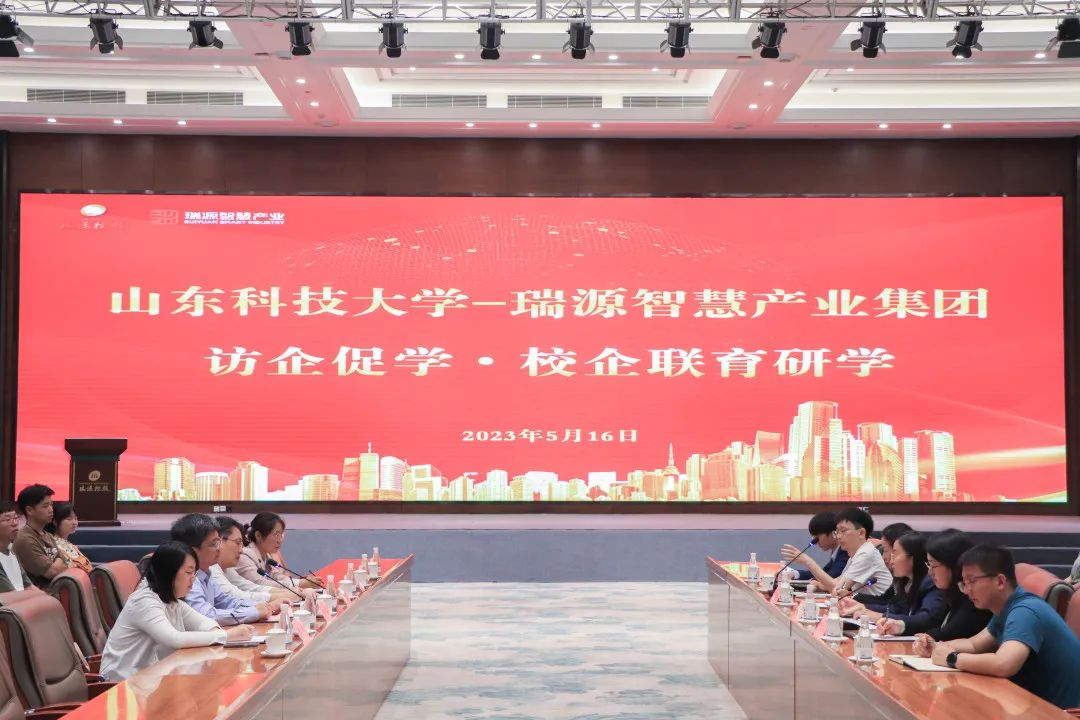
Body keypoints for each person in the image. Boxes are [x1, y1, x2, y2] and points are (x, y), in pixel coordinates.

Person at [921, 545, 1080, 710]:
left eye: (972, 581)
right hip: (1034, 705)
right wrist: (935, 647)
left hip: (1062, 712)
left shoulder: (1025, 611)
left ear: (1000, 581)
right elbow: (973, 644)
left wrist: (952, 659)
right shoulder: (1005, 607)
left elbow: (1004, 664)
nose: (967, 590)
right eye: (964, 583)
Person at [100, 541, 253, 681]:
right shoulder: (144, 601)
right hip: (120, 686)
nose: (193, 579)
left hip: (149, 679)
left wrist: (219, 633)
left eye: (194, 573)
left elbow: (204, 623)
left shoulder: (171, 600)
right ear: (169, 573)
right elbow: (175, 639)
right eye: (188, 572)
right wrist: (227, 635)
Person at [169, 514, 279, 625]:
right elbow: (206, 616)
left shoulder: (206, 573)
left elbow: (226, 601)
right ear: (192, 550)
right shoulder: (186, 577)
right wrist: (254, 612)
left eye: (219, 542)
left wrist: (262, 606)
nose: (219, 548)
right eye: (214, 543)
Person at [882, 529, 991, 640]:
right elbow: (932, 622)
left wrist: (928, 638)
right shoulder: (951, 593)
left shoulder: (973, 598)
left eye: (934, 565)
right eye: (929, 565)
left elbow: (946, 631)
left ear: (953, 564)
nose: (930, 572)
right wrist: (899, 626)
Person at [841, 532, 945, 629]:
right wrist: (863, 607)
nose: (891, 560)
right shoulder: (908, 582)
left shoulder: (930, 583)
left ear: (912, 557)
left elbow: (927, 619)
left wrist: (879, 616)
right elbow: (896, 608)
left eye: (895, 553)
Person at [211, 516, 296, 604]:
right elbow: (238, 594)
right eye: (237, 542)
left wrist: (289, 591)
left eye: (281, 534)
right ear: (219, 541)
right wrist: (282, 595)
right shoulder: (245, 555)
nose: (241, 550)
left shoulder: (227, 569)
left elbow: (249, 587)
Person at [234, 513, 319, 591]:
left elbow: (278, 577)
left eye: (281, 534)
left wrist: (302, 582)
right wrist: (300, 583)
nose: (280, 540)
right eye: (276, 534)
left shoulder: (267, 556)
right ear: (258, 535)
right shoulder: (244, 556)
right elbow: (260, 584)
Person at [823, 508, 892, 597]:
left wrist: (808, 561)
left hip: (881, 603)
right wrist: (819, 585)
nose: (838, 536)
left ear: (861, 533)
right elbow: (839, 582)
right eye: (837, 532)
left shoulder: (866, 554)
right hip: (868, 602)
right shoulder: (855, 555)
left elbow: (838, 587)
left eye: (843, 531)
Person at [12, 484, 65, 588]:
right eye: (45, 506)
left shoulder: (48, 535)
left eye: (51, 505)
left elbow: (65, 562)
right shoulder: (25, 538)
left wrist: (59, 563)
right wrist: (58, 562)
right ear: (29, 510)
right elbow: (51, 572)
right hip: (38, 593)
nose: (51, 510)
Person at [779, 511, 849, 582]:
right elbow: (822, 574)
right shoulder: (836, 553)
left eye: (817, 537)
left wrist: (807, 561)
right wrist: (794, 573)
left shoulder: (845, 553)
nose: (815, 542)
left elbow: (830, 578)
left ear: (834, 533)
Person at [44, 502, 93, 574]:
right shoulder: (51, 546)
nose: (74, 522)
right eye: (69, 519)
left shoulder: (71, 545)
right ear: (55, 522)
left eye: (75, 518)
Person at [0, 501, 33, 593]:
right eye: (7, 520)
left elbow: (28, 586)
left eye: (15, 518)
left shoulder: (11, 551)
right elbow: (10, 594)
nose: (15, 523)